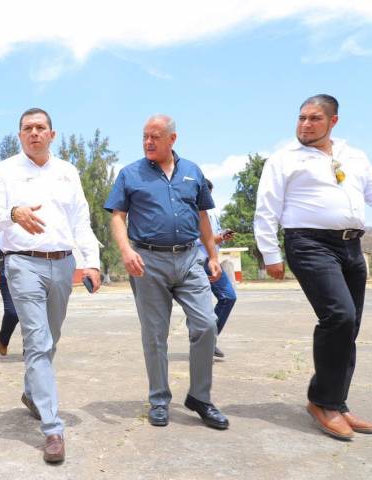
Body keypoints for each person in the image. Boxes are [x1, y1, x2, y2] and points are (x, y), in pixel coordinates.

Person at [254, 94, 372, 440]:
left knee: (350, 326)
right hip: (309, 244)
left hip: (351, 246)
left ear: (333, 121)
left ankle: (336, 402)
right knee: (339, 316)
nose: (305, 125)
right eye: (302, 118)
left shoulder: (353, 156)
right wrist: (270, 254)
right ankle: (323, 402)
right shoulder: (285, 159)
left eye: (314, 119)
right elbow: (266, 208)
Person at [0, 107, 101, 464]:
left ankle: (32, 393)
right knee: (37, 340)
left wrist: (92, 261)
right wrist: (13, 213)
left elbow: (81, 220)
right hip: (23, 263)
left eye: (40, 127)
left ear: (52, 134)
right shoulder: (4, 170)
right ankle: (52, 429)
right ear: (20, 135)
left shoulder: (67, 172)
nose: (34, 133)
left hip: (63, 264)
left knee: (51, 337)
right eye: (27, 128)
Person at [105, 114, 229, 431]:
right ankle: (159, 399)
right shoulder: (130, 174)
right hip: (148, 261)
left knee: (206, 324)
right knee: (155, 334)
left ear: (172, 139)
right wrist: (126, 251)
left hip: (189, 259)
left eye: (155, 137)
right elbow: (117, 217)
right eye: (145, 137)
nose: (148, 142)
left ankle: (200, 398)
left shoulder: (192, 171)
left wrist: (213, 256)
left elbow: (202, 216)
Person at [198, 179, 237, 358]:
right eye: (207, 193)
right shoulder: (191, 211)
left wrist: (223, 235)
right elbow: (199, 238)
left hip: (212, 261)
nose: (209, 197)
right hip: (197, 261)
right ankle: (203, 344)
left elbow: (215, 234)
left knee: (228, 297)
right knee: (200, 306)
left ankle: (208, 341)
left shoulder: (213, 212)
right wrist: (219, 237)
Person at [0, 233, 19, 356]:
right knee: (12, 313)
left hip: (36, 272)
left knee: (32, 314)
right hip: (8, 274)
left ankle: (30, 348)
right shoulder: (5, 222)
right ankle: (3, 340)